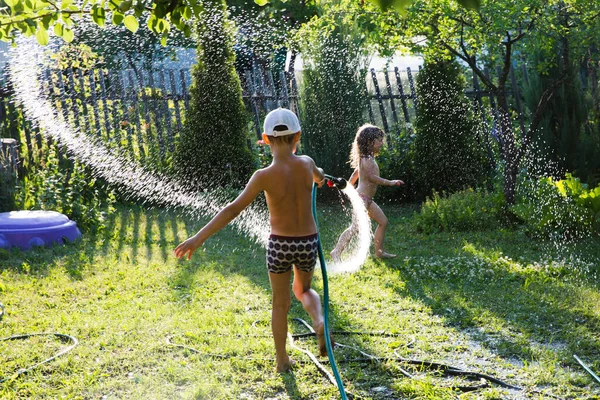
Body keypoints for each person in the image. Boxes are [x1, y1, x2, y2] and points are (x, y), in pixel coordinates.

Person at [174, 108, 330, 373]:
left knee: (280, 304)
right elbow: (320, 177)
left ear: (265, 139)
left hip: (279, 244)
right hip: (306, 241)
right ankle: (318, 320)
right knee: (303, 290)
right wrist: (322, 176)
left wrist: (198, 238)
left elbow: (232, 209)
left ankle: (282, 361)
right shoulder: (306, 163)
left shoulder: (262, 176)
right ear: (298, 136)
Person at [330, 124, 404, 260]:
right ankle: (336, 251)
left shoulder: (366, 158)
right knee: (355, 228)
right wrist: (390, 182)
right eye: (379, 140)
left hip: (366, 199)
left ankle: (379, 252)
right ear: (370, 142)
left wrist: (348, 185)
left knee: (383, 222)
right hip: (362, 199)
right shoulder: (367, 159)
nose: (382, 143)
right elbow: (372, 177)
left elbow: (356, 173)